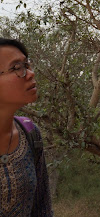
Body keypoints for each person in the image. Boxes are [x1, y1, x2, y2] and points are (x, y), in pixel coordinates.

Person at [0, 38, 53, 216]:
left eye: (27, 65)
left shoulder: (30, 133)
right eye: (17, 68)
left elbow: (42, 208)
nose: (30, 73)